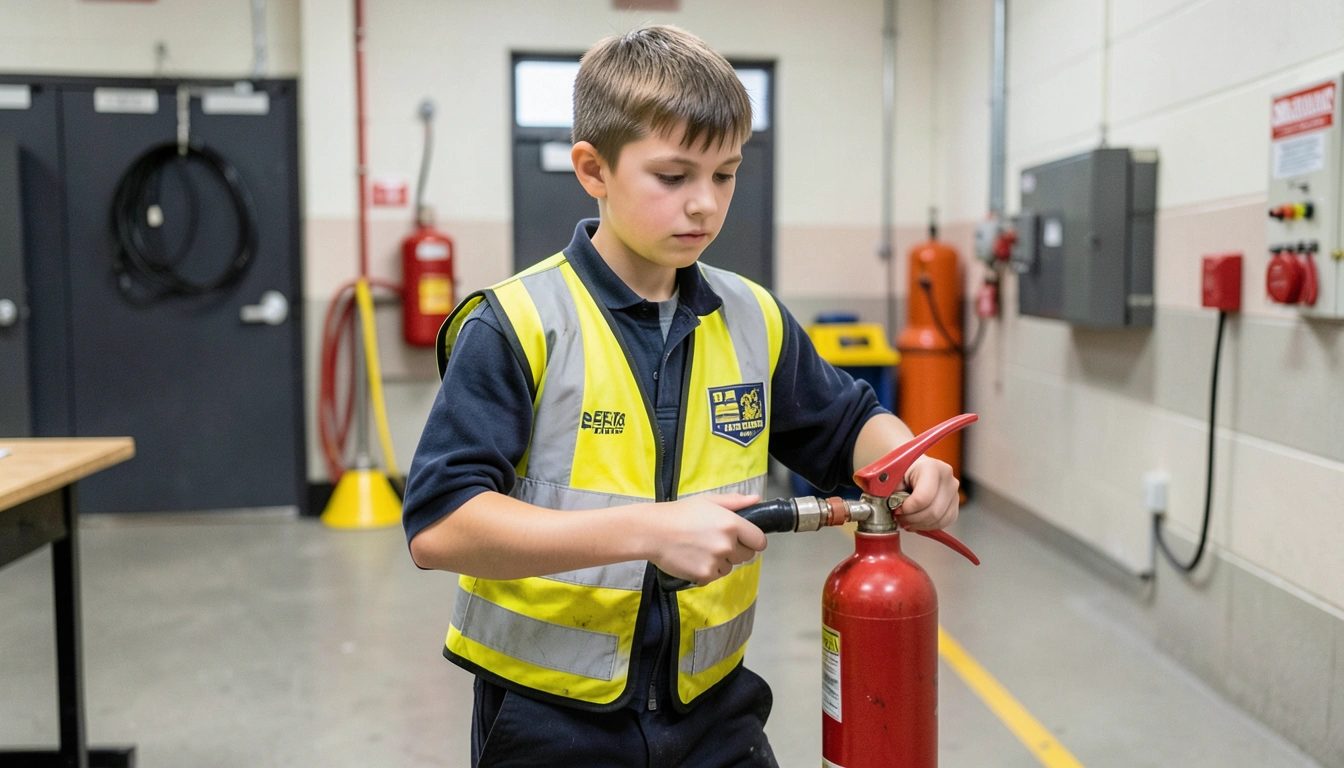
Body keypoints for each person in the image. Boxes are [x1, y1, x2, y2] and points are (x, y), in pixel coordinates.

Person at [402, 24, 961, 768]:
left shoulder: (752, 316)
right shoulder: (517, 324)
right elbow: (439, 526)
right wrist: (649, 531)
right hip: (548, 723)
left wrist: (912, 462)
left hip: (714, 715)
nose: (704, 204)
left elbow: (850, 423)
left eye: (725, 175)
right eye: (674, 176)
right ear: (593, 169)